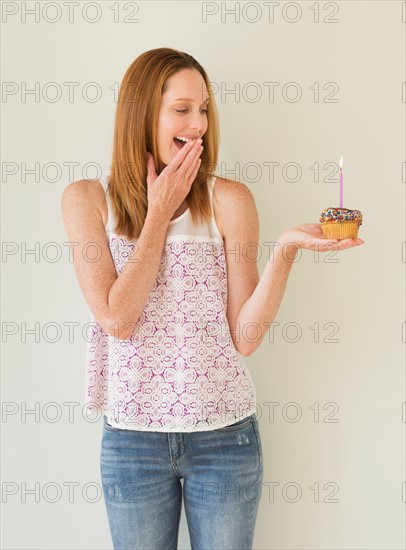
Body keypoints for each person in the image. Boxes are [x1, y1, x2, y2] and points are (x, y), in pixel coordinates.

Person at [61, 47, 364, 550]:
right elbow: (117, 318)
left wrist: (285, 252)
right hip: (133, 440)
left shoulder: (229, 200)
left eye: (204, 109)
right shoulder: (88, 200)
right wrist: (158, 215)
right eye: (182, 109)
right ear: (141, 113)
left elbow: (244, 338)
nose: (198, 123)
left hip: (225, 439)